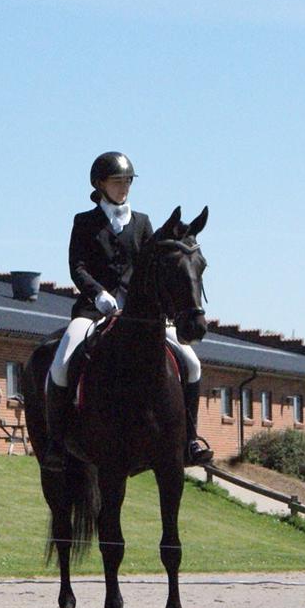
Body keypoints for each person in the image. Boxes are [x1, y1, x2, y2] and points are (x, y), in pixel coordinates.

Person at [44, 151, 213, 471]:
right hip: (95, 309)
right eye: (117, 181)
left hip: (141, 313)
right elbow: (76, 267)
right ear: (100, 184)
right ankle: (57, 440)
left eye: (127, 181)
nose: (124, 187)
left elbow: (152, 267)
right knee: (63, 361)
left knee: (191, 362)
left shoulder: (143, 223)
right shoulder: (85, 222)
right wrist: (99, 295)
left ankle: (189, 438)